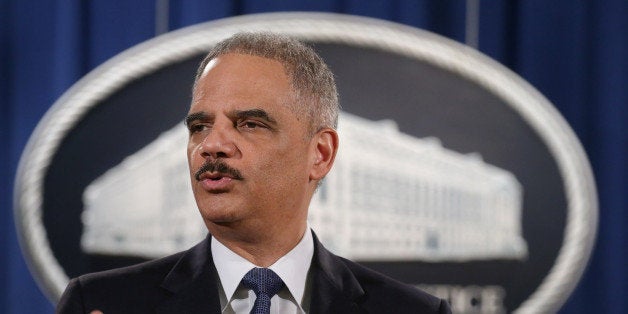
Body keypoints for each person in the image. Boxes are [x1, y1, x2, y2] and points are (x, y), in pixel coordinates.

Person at [57, 32, 451, 314]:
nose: (212, 144)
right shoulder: (101, 304)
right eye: (200, 126)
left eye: (249, 124)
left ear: (320, 154)